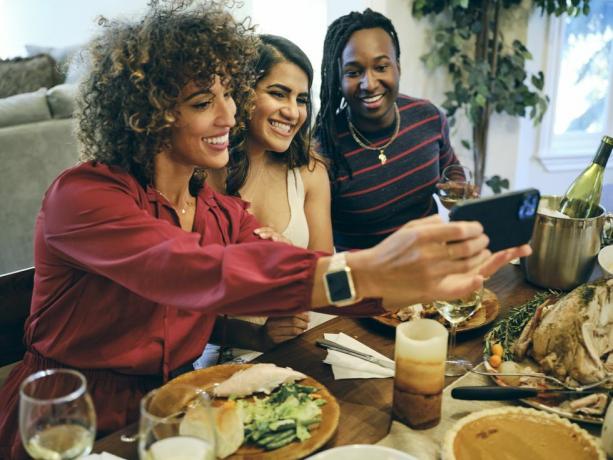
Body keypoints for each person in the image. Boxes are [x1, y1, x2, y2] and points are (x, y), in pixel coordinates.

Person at [0, 2, 529, 458]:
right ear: (148, 115)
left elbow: (300, 277)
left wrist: (422, 284)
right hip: (69, 412)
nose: (229, 115)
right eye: (203, 103)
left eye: (228, 94)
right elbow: (195, 268)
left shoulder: (220, 213)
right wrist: (368, 264)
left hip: (175, 406)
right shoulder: (84, 197)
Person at [203, 34, 334, 366]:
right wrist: (257, 337)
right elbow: (180, 310)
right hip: (226, 352)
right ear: (242, 93)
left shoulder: (310, 171)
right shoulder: (201, 174)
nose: (292, 112)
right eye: (278, 94)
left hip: (300, 341)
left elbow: (326, 280)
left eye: (302, 99)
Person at [316, 8, 465, 251]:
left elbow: (452, 170)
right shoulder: (323, 147)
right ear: (338, 79)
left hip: (432, 266)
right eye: (353, 72)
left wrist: (457, 190)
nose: (369, 83)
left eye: (381, 67)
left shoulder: (428, 117)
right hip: (367, 283)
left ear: (398, 67)